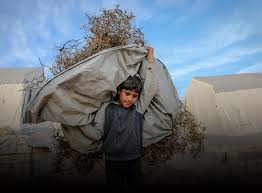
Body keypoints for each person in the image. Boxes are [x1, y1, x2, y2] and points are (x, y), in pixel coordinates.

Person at [80, 47, 156, 191]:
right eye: (127, 93)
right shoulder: (106, 107)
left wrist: (150, 60)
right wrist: (78, 122)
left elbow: (150, 88)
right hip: (112, 162)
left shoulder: (138, 109)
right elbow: (97, 134)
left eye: (134, 96)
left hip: (134, 161)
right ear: (119, 91)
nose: (130, 99)